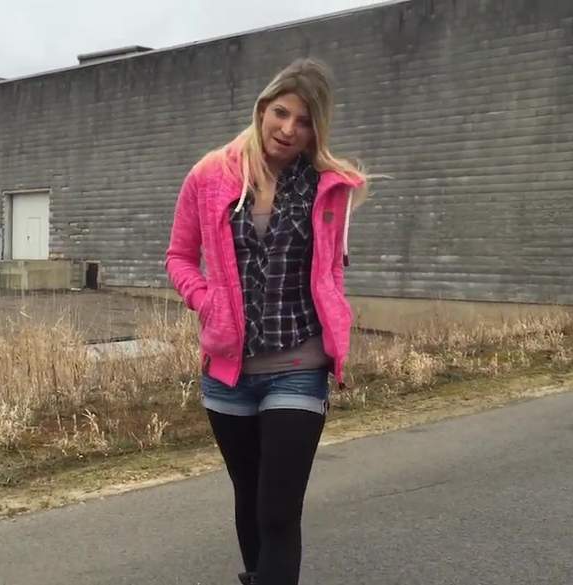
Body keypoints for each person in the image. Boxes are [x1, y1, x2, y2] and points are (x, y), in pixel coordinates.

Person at [165, 58, 370, 585]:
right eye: (281, 113)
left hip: (299, 365)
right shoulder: (210, 175)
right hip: (228, 372)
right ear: (262, 109)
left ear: (316, 130)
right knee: (251, 498)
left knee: (278, 510)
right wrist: (206, 301)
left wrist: (337, 326)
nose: (288, 129)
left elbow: (331, 270)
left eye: (304, 121)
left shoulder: (327, 186)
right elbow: (179, 257)